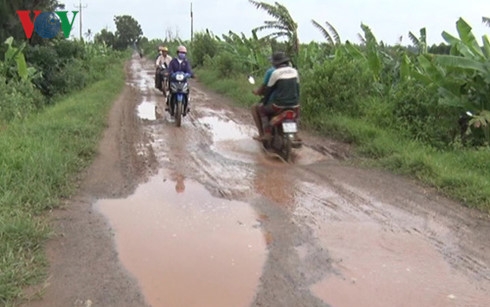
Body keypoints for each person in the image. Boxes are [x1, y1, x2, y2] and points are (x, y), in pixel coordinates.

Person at [252, 52, 300, 141]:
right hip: (294, 104)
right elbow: (297, 89)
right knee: (296, 114)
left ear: (275, 63)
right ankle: (296, 134)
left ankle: (267, 133)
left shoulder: (275, 73)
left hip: (278, 106)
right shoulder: (294, 71)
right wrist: (297, 102)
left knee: (261, 109)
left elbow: (268, 91)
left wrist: (264, 102)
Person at [166, 45, 194, 112]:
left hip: (183, 82)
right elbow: (170, 70)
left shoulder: (186, 62)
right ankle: (168, 104)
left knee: (187, 92)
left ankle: (187, 105)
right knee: (170, 92)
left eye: (184, 53)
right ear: (177, 53)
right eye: (181, 52)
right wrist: (171, 74)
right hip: (174, 81)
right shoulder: (173, 61)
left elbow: (189, 71)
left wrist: (188, 74)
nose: (182, 54)